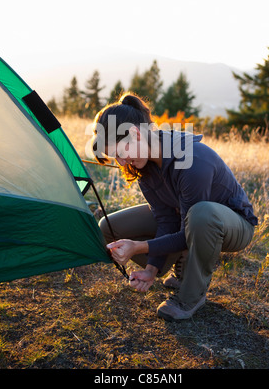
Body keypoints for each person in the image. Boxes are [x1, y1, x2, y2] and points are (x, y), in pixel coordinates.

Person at [91, 92, 257, 322]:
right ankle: (180, 262)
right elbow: (166, 219)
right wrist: (151, 269)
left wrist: (138, 247)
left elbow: (191, 226)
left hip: (232, 226)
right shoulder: (144, 166)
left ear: (135, 134)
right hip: (187, 220)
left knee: (201, 215)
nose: (121, 162)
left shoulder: (193, 160)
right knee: (108, 227)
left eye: (120, 153)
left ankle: (191, 296)